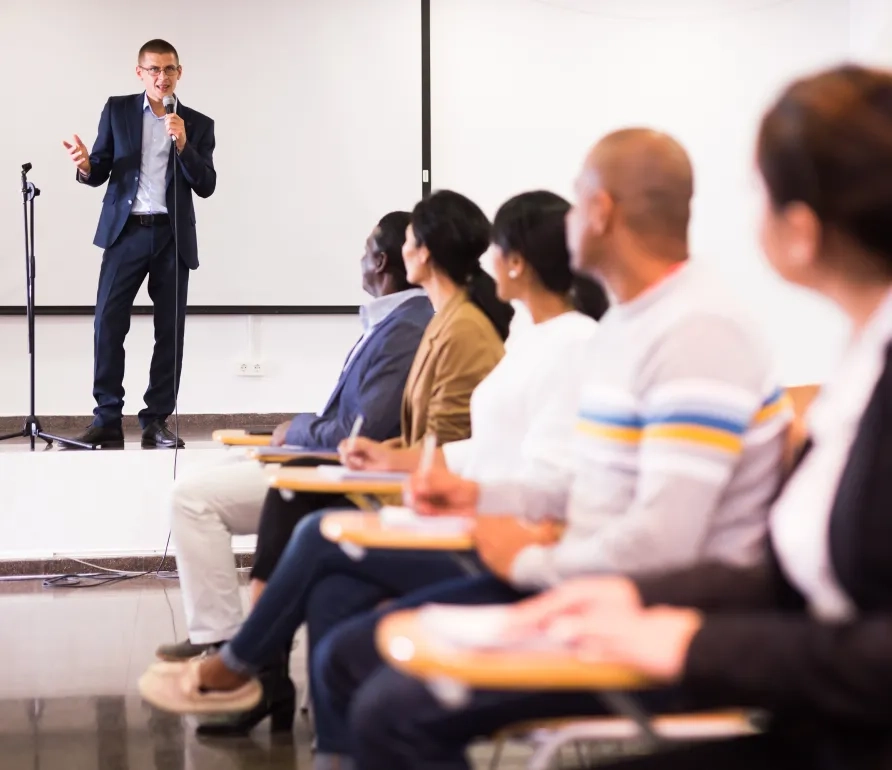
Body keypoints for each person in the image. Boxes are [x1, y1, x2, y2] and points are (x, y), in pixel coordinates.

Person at [343, 66, 892, 770]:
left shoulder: (702, 331)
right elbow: (779, 572)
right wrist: (585, 579)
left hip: (807, 699)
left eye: (760, 193)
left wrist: (599, 594)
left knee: (390, 702)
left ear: (801, 228)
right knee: (366, 657)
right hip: (757, 659)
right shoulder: (842, 359)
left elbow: (688, 546)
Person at [137, 190, 608, 748]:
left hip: (500, 543)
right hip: (469, 514)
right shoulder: (530, 337)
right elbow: (478, 447)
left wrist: (451, 485)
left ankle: (239, 664)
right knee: (329, 579)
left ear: (516, 261)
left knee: (313, 525)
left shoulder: (564, 342)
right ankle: (323, 743)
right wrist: (400, 458)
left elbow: (545, 482)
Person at [154, 189, 510, 667]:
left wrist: (304, 433)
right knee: (279, 498)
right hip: (379, 468)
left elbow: (388, 432)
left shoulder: (428, 326)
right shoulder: (428, 320)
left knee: (240, 499)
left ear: (413, 254)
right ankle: (248, 659)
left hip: (402, 488)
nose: (391, 253)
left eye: (397, 245)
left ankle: (241, 657)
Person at [63, 39, 216, 449]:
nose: (161, 77)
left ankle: (155, 422)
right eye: (153, 70)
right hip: (125, 232)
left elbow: (206, 185)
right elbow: (100, 169)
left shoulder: (198, 123)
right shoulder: (117, 110)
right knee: (107, 324)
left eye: (168, 70)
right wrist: (85, 166)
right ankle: (107, 419)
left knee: (170, 331)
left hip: (173, 235)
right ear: (139, 73)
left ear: (179, 73)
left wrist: (183, 143)